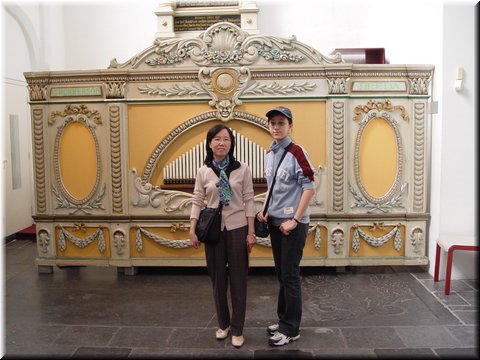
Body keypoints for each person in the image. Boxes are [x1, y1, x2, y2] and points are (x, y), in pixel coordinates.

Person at [189, 124, 256, 348]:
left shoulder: (242, 169)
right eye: (217, 139)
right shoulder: (203, 171)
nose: (221, 143)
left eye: (226, 139)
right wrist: (192, 228)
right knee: (218, 281)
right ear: (209, 143)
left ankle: (237, 329)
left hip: (237, 229)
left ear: (231, 143)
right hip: (213, 232)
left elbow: (249, 201)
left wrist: (251, 232)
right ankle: (224, 325)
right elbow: (197, 200)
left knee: (238, 282)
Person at [257, 106, 316, 346]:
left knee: (290, 276)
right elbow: (272, 187)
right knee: (282, 274)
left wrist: (295, 220)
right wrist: (264, 208)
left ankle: (291, 329)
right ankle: (283, 321)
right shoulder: (270, 153)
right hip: (274, 222)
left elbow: (309, 187)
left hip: (292, 225)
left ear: (290, 126)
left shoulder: (297, 152)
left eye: (281, 122)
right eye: (272, 122)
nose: (276, 126)